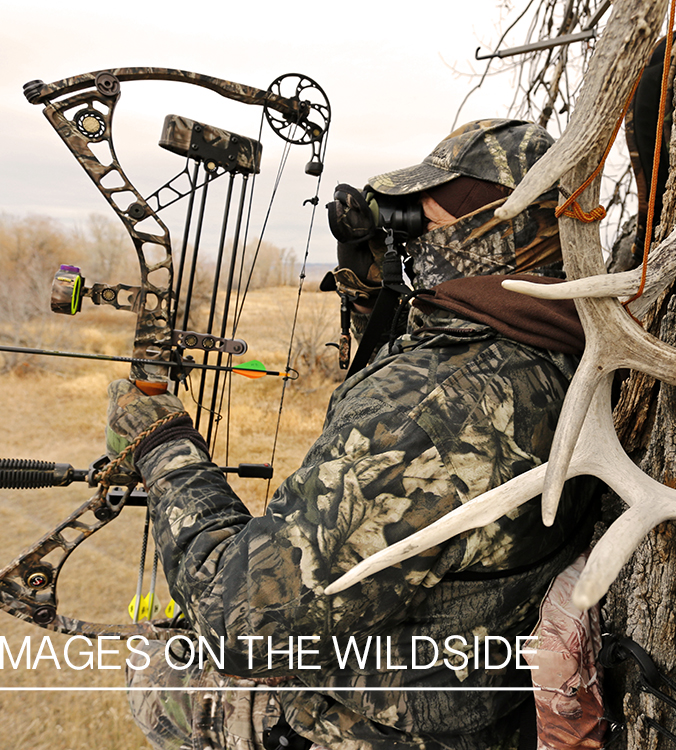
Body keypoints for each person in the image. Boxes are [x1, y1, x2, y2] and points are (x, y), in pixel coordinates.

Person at [108, 119, 599, 750]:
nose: (411, 226)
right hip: (474, 697)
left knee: (159, 674)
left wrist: (163, 446)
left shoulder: (430, 410)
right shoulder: (557, 352)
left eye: (429, 209)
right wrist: (377, 295)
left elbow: (240, 620)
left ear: (499, 225)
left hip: (384, 723)